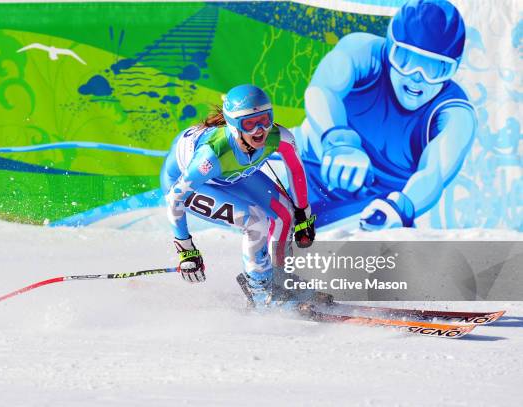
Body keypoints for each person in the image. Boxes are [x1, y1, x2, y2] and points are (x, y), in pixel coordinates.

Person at [292, 0, 477, 230]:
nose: (417, 77)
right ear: (390, 46)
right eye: (406, 59)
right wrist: (341, 143)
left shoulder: (455, 114)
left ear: (453, 70)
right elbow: (323, 89)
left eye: (434, 68)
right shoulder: (362, 53)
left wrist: (401, 208)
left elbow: (435, 171)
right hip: (305, 168)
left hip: (368, 210)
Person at [160, 84, 315, 307]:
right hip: (190, 185)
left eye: (264, 119)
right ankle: (260, 290)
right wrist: (186, 251)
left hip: (230, 174)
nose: (259, 130)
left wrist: (303, 213)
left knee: (286, 213)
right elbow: (176, 198)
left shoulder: (279, 136)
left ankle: (280, 281)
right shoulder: (211, 156)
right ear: (234, 126)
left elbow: (296, 169)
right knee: (255, 221)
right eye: (249, 124)